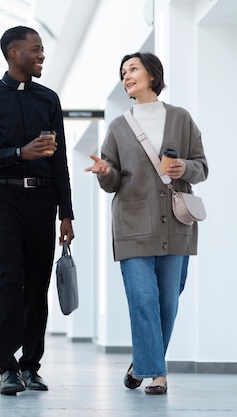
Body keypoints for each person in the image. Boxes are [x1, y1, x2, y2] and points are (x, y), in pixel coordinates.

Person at [84, 52, 208, 395]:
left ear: (152, 74)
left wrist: (186, 168)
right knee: (142, 298)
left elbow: (202, 166)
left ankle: (143, 362)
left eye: (133, 69)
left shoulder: (181, 119)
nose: (126, 76)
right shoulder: (119, 127)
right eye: (123, 72)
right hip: (132, 225)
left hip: (176, 225)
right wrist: (104, 172)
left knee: (168, 300)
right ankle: (157, 374)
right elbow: (112, 178)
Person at [0, 26, 75, 396]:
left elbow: (59, 161)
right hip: (5, 198)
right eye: (36, 49)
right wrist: (19, 154)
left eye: (42, 49)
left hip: (44, 201)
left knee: (39, 285)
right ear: (15, 53)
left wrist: (67, 214)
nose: (42, 55)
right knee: (11, 278)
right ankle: (7, 367)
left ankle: (31, 365)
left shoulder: (49, 99)